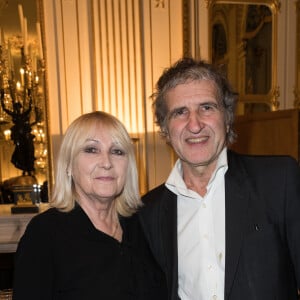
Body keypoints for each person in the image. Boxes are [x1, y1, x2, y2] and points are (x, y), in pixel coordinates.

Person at [139, 57, 300, 300]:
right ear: (165, 129)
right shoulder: (148, 212)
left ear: (226, 118)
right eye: (180, 112)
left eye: (206, 107)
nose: (194, 125)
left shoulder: (279, 180)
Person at [13, 111, 167, 300]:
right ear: (68, 164)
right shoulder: (44, 234)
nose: (106, 163)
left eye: (117, 151)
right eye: (91, 150)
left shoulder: (146, 224)